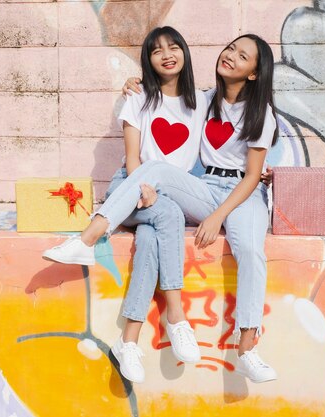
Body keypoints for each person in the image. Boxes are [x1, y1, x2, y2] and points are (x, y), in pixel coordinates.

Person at [44, 33, 279, 383]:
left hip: (242, 193)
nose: (230, 56)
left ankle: (247, 348)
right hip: (204, 186)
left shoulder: (260, 114)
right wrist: (136, 83)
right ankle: (89, 239)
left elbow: (252, 177)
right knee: (154, 176)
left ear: (254, 74)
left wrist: (217, 217)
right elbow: (160, 107)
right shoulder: (204, 100)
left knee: (249, 249)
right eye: (230, 48)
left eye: (242, 57)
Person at [45, 26, 206, 383]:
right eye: (156, 50)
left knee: (154, 232)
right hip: (131, 188)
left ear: (185, 52)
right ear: (148, 60)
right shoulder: (138, 99)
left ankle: (128, 340)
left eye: (174, 47)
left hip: (166, 193)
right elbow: (133, 158)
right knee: (165, 212)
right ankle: (177, 317)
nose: (166, 54)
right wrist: (145, 187)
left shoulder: (203, 101)